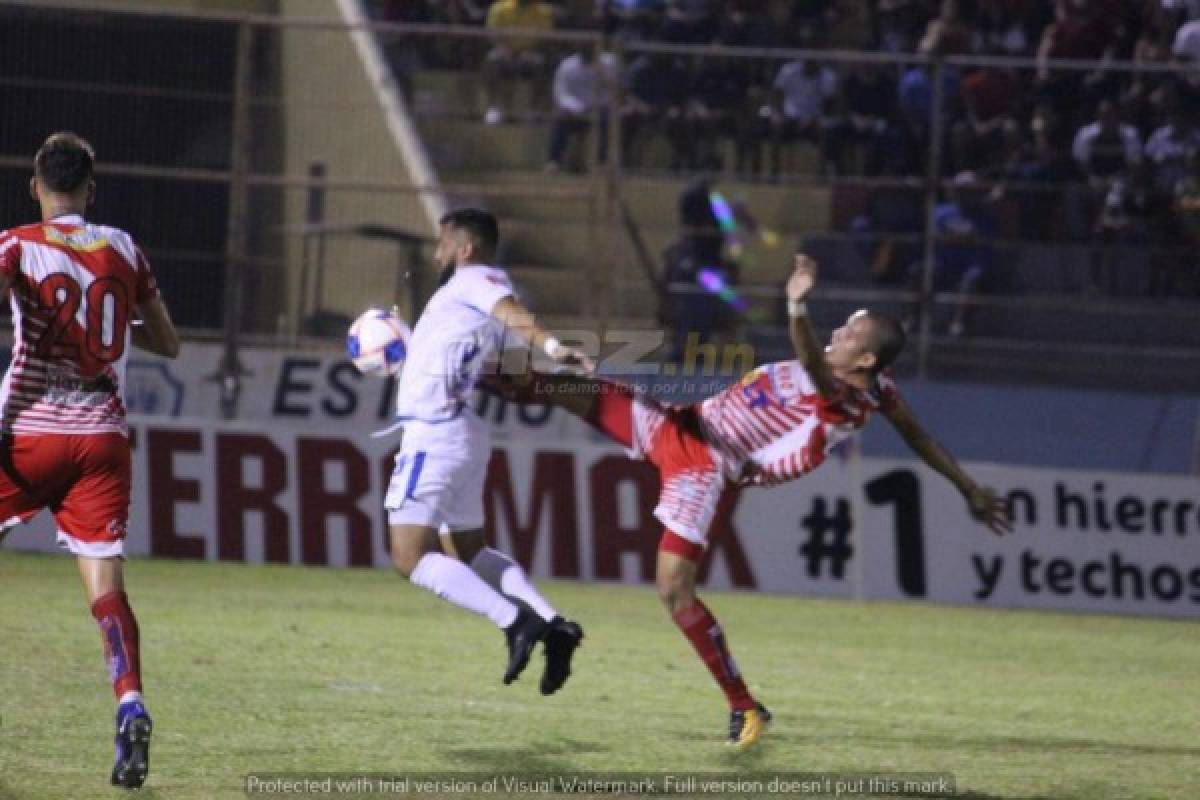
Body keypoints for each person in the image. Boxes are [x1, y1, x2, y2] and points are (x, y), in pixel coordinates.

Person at [482, 253, 1011, 750]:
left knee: (673, 588)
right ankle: (462, 375)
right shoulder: (877, 385)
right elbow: (917, 434)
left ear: (866, 359)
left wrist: (797, 304)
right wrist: (968, 487)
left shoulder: (842, 396)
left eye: (850, 335)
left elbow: (810, 357)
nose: (838, 334)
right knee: (562, 388)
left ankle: (746, 706)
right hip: (679, 423)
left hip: (706, 465)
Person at [0, 132, 180, 788]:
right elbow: (169, 342)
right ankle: (130, 700)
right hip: (103, 438)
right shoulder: (124, 247)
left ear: (34, 185)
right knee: (106, 589)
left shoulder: (16, 244)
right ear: (91, 189)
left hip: (28, 436)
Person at [385, 208, 589, 695]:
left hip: (434, 434)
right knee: (468, 550)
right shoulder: (467, 294)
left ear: (465, 247)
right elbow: (500, 362)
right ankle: (552, 622)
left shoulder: (476, 279)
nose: (437, 254)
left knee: (408, 556)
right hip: (461, 430)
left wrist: (557, 347)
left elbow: (512, 314)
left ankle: (514, 622)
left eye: (443, 243)